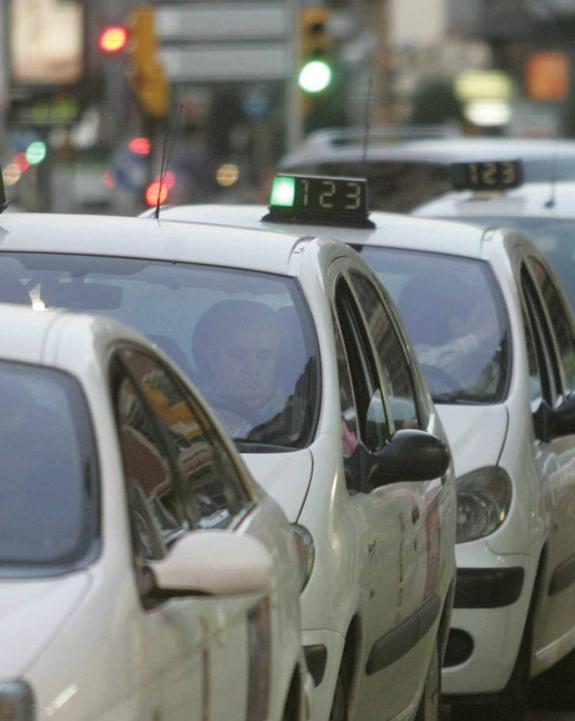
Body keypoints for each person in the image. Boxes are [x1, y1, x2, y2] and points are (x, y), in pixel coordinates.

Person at [192, 300, 287, 438]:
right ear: (211, 357)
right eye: (238, 356)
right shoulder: (183, 407)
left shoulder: (297, 421)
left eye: (264, 357)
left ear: (277, 359)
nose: (252, 369)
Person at [398, 274, 502, 396]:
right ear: (456, 323)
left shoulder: (504, 371)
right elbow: (414, 368)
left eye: (498, 319)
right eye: (485, 316)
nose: (493, 327)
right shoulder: (424, 353)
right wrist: (477, 337)